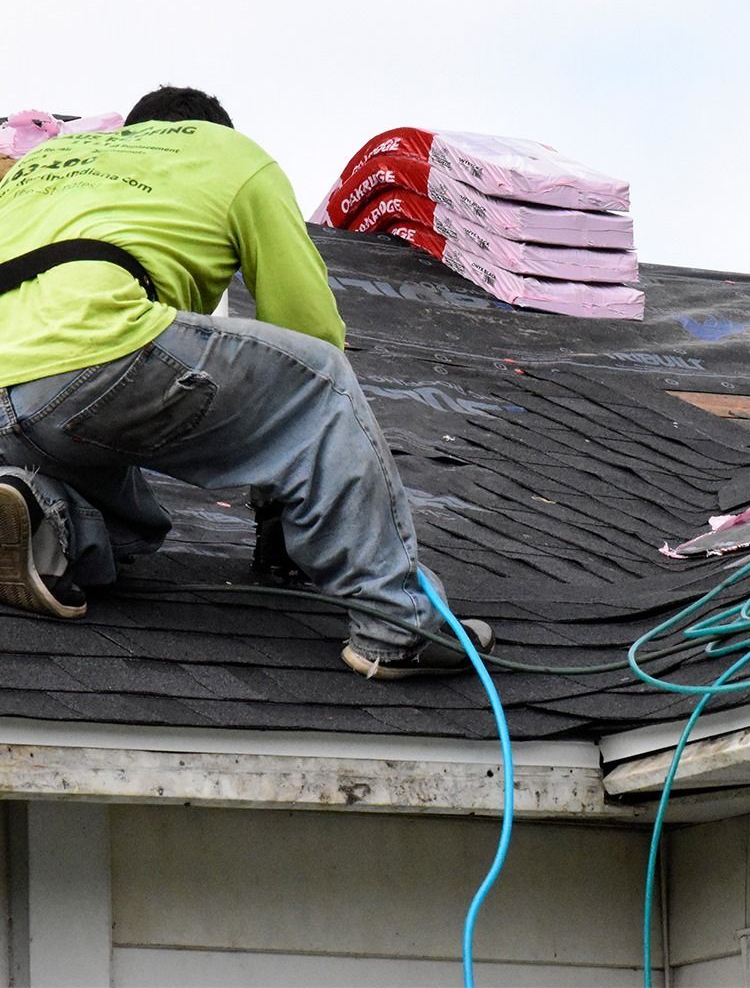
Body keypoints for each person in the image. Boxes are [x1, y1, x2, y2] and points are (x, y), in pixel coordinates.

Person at [0, 86, 493, 679]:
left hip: (22, 394)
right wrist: (284, 483)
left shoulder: (44, 165)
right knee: (322, 384)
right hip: (92, 351)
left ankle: (42, 516)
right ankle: (400, 625)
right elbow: (307, 331)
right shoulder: (232, 155)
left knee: (132, 526)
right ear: (216, 129)